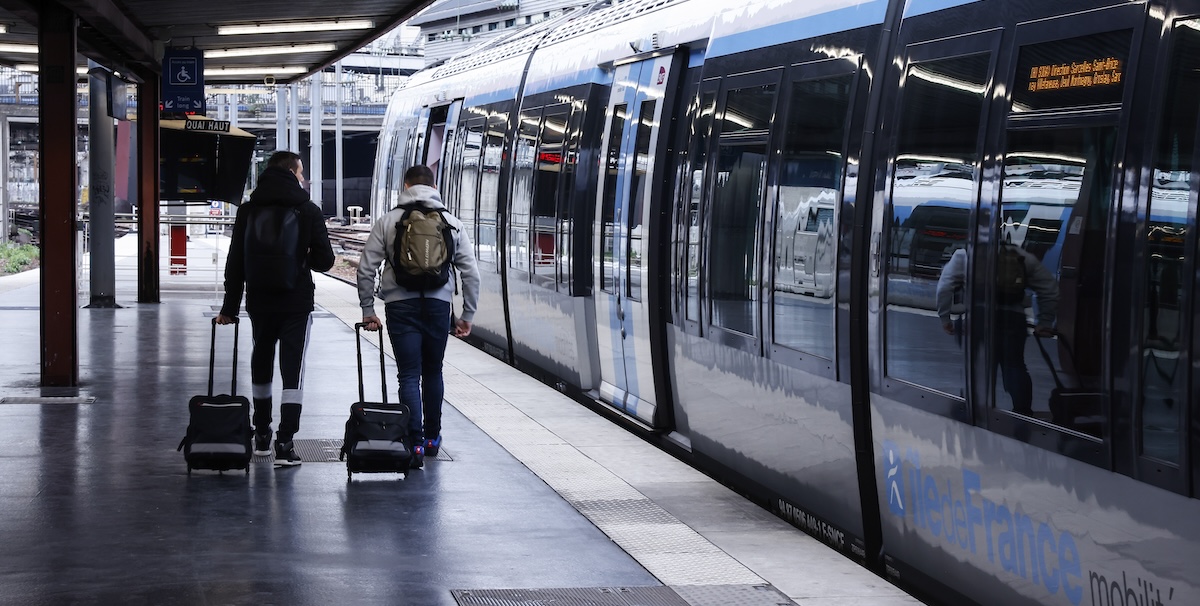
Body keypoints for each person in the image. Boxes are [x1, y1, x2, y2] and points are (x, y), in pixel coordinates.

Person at [216, 151, 335, 467]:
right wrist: (304, 255)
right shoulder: (308, 210)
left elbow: (235, 262)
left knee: (262, 361)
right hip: (296, 302)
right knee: (292, 369)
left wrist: (229, 307)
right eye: (302, 172)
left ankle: (261, 434)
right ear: (294, 173)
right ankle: (285, 442)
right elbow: (325, 261)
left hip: (260, 301)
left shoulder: (248, 210)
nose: (303, 178)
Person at [357, 165, 480, 469]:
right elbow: (471, 274)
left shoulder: (389, 221)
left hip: (400, 307)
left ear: (406, 186)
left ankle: (414, 443)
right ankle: (432, 439)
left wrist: (368, 309)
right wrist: (467, 314)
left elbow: (366, 268)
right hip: (438, 307)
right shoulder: (452, 223)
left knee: (409, 375)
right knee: (433, 371)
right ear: (434, 186)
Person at [935, 242, 1058, 416]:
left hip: (978, 316)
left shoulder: (964, 255)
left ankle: (972, 406)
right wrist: (1045, 321)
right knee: (1015, 366)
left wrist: (945, 317)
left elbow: (944, 287)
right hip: (1013, 317)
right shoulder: (1020, 256)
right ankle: (1022, 412)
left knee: (977, 364)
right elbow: (1049, 287)